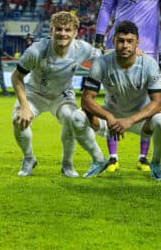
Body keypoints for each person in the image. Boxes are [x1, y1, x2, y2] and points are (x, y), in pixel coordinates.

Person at [95, 0, 161, 173]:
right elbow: (106, 7)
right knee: (113, 99)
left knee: (146, 102)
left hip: (149, 47)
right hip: (119, 43)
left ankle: (143, 157)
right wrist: (98, 36)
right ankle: (113, 157)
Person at [71, 21, 161, 181]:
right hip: (110, 120)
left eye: (130, 41)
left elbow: (157, 103)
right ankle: (98, 159)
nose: (125, 45)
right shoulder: (102, 63)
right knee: (76, 117)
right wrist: (109, 117)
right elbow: (87, 100)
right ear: (114, 41)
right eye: (121, 40)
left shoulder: (149, 64)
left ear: (137, 42)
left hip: (139, 120)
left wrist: (130, 120)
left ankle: (156, 162)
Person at [11, 12, 100, 177]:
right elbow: (16, 77)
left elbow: (104, 57)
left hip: (62, 95)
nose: (63, 33)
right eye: (59, 29)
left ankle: (67, 163)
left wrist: (132, 51)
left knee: (70, 118)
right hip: (34, 93)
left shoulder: (82, 48)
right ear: (52, 30)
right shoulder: (36, 51)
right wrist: (24, 106)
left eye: (68, 30)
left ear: (75, 33)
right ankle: (29, 158)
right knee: (18, 120)